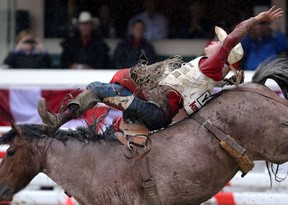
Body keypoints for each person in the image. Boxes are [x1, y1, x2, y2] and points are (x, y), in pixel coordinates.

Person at [37, 6, 283, 134]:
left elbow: (231, 39)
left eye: (218, 43)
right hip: (160, 107)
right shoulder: (216, 74)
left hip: (155, 109)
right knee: (115, 90)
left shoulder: (212, 65)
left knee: (97, 89)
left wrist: (256, 19)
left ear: (223, 53)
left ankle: (58, 120)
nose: (214, 42)